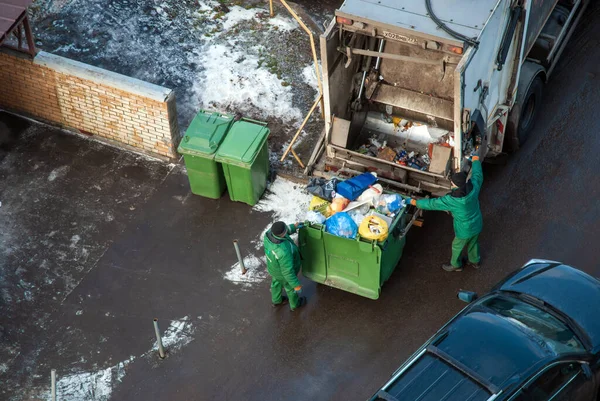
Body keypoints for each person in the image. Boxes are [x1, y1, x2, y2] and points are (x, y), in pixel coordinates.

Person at [408, 153, 483, 272]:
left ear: (456, 185)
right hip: (477, 223)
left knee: (457, 246)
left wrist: (415, 202)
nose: (451, 184)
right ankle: (475, 261)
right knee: (473, 243)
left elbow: (432, 204)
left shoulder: (452, 200)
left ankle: (456, 265)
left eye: (452, 183)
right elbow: (478, 175)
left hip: (464, 229)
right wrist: (475, 161)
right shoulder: (473, 187)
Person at [263, 221, 307, 310]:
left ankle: (276, 300)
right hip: (283, 274)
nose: (287, 229)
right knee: (290, 289)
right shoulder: (283, 252)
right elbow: (288, 272)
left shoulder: (268, 234)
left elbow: (284, 231)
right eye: (285, 230)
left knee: (276, 283)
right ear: (282, 234)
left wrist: (294, 227)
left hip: (274, 269)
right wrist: (296, 285)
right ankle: (295, 305)